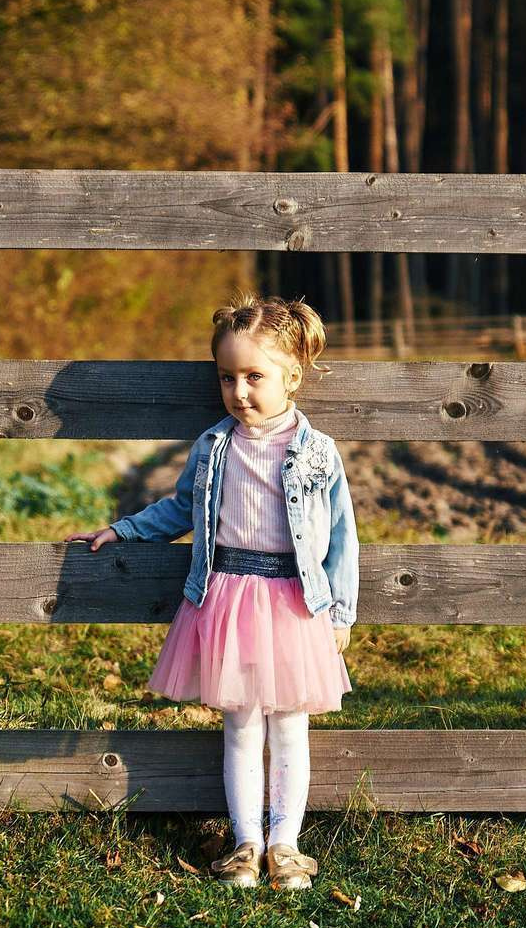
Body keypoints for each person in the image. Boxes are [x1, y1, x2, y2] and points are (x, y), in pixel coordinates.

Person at [65, 294, 357, 891]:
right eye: (228, 378)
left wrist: (340, 613)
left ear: (292, 376)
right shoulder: (215, 446)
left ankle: (286, 845)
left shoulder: (318, 454)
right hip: (227, 598)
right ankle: (246, 842)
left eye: (255, 377)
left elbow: (342, 538)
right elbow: (180, 508)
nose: (240, 392)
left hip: (294, 604)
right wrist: (123, 528)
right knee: (242, 726)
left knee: (290, 726)